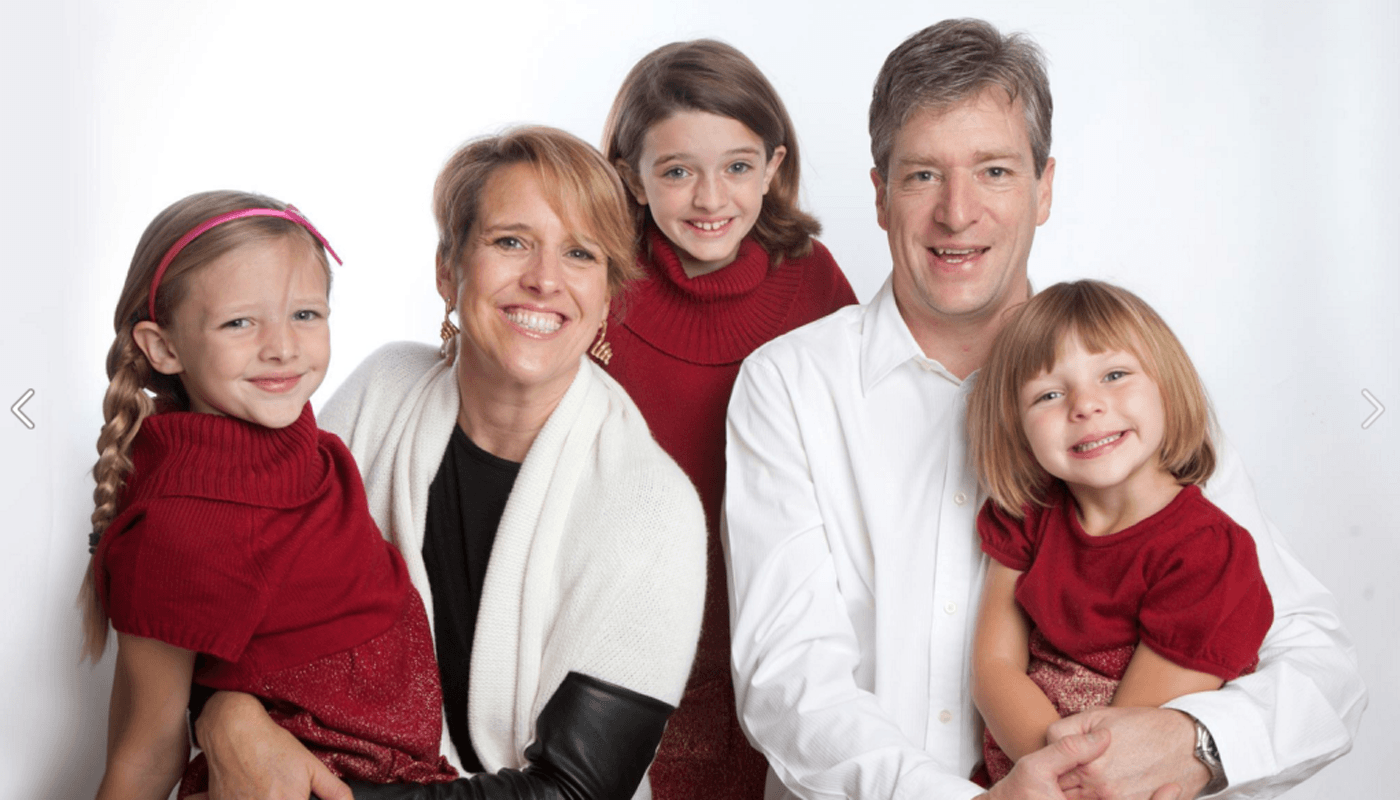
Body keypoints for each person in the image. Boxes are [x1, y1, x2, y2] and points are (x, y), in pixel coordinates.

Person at [723, 18, 1365, 800]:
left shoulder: (1129, 404)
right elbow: (790, 683)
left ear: (1045, 188)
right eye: (922, 175)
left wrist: (1195, 743)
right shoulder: (787, 386)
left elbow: (1320, 668)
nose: (958, 212)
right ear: (881, 197)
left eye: (994, 171)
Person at [188, 127, 707, 800]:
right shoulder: (382, 392)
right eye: (511, 241)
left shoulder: (652, 506)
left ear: (605, 296)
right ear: (446, 270)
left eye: (580, 253)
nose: (544, 279)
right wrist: (224, 712)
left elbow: (575, 792)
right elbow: (230, 590)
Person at [79, 190, 457, 799]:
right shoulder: (182, 529)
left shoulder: (300, 445)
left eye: (305, 314)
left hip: (400, 777)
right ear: (165, 348)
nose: (282, 347)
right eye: (239, 322)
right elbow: (144, 752)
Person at [599, 39, 857, 800]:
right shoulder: (596, 285)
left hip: (778, 635)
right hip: (627, 642)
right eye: (678, 172)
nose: (711, 200)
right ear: (632, 178)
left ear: (773, 168)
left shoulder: (812, 280)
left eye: (737, 167)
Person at [965, 280, 1273, 785]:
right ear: (1016, 426)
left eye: (1114, 374)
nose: (1085, 405)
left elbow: (1130, 749)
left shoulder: (1208, 553)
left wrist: (1072, 781)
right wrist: (1048, 777)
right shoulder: (1027, 514)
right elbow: (993, 670)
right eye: (1049, 394)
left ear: (1167, 387)